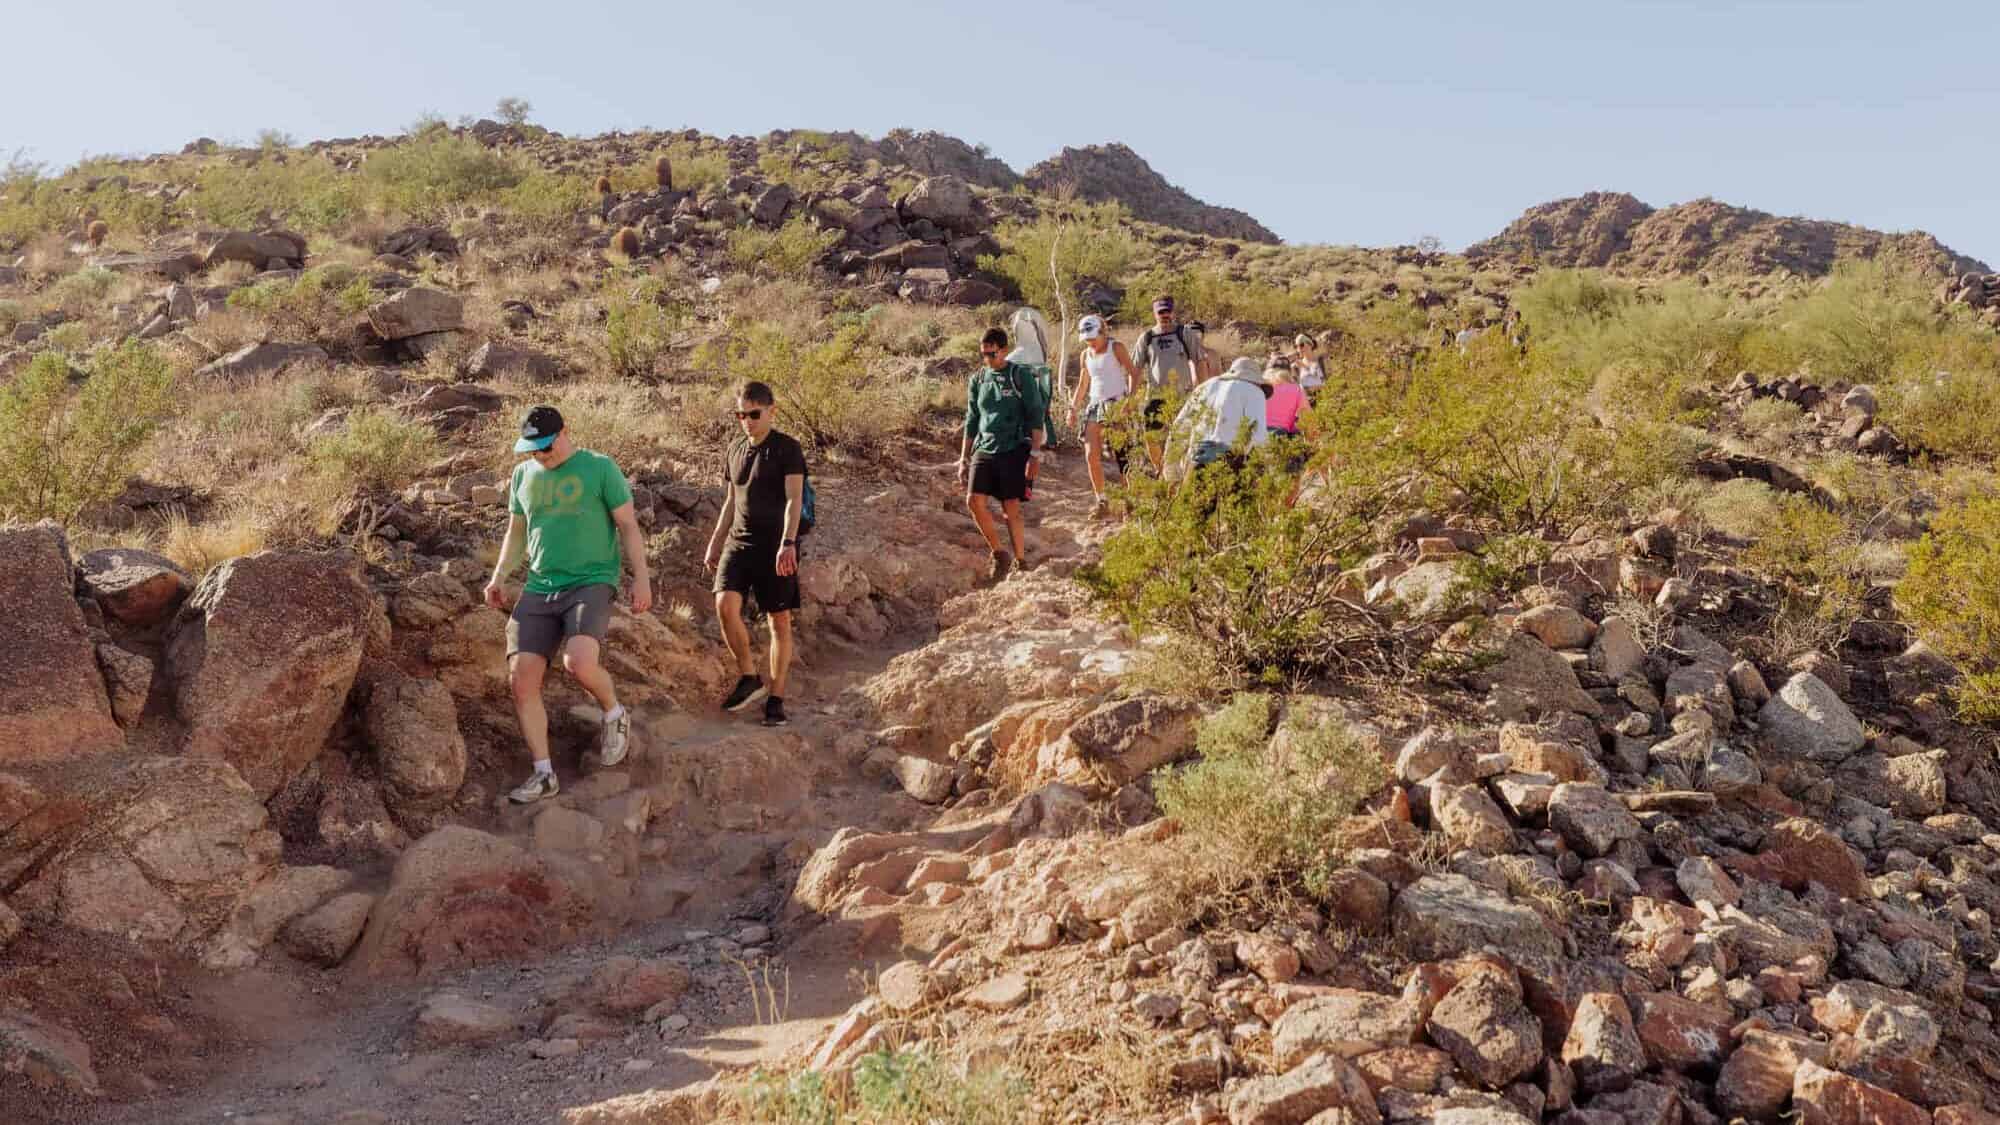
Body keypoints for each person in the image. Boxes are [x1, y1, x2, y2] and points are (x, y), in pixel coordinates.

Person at [486, 406, 652, 803]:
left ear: (565, 432)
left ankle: (614, 713)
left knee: (578, 662)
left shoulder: (599, 468)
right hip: (541, 585)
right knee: (521, 680)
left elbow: (628, 525)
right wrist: (499, 575)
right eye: (532, 449)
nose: (539, 455)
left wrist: (641, 579)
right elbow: (516, 532)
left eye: (545, 446)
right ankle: (544, 774)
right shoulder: (523, 476)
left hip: (591, 581)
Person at [703, 380, 807, 728]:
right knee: (724, 605)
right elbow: (732, 500)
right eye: (741, 415)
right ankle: (750, 677)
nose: (747, 421)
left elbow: (794, 499)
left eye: (754, 414)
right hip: (739, 542)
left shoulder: (787, 449)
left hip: (776, 546)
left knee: (778, 621)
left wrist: (788, 543)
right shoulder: (734, 449)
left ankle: (776, 697)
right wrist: (715, 542)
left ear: (771, 411)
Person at [958, 327, 1047, 582]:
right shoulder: (978, 379)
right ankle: (999, 554)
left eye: (992, 354)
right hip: (985, 447)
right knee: (974, 501)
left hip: (1013, 447)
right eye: (983, 355)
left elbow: (1035, 416)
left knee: (1011, 507)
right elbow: (972, 419)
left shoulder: (1020, 376)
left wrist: (1035, 454)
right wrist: (963, 458)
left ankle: (1021, 559)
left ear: (1004, 350)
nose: (987, 359)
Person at [1066, 314, 1140, 518]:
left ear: (1102, 331)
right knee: (1091, 456)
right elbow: (1083, 384)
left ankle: (1129, 502)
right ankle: (1102, 501)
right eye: (1087, 338)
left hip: (1117, 403)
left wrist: (1130, 401)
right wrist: (1072, 408)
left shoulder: (1116, 348)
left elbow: (1135, 373)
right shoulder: (1085, 355)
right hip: (1095, 405)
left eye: (1093, 337)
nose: (1090, 342)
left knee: (1123, 457)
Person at [1133, 296, 1211, 473]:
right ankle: (1161, 472)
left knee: (1181, 439)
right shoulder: (1146, 338)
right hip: (1155, 397)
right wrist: (1131, 397)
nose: (1165, 315)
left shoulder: (1184, 333)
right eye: (1161, 312)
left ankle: (1178, 475)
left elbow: (1199, 362)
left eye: (1167, 311)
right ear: (1154, 314)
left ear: (1173, 312)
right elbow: (1135, 369)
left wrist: (1203, 391)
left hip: (1181, 397)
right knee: (1152, 438)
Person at [1173, 356, 1270, 473]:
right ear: (1256, 380)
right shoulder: (1255, 392)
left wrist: (1172, 472)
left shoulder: (1204, 387)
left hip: (1195, 461)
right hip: (1230, 464)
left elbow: (1180, 427)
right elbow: (1258, 437)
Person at [1264, 356, 1306, 437]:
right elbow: (1307, 415)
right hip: (1281, 435)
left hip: (1259, 434)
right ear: (1289, 372)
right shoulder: (1296, 389)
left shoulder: (1261, 386)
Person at [1292, 334, 1326, 400]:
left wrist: (1305, 367)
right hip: (1308, 404)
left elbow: (1326, 383)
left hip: (1324, 401)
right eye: (1296, 346)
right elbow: (1297, 390)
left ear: (1310, 344)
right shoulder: (1296, 366)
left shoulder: (1321, 361)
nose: (1299, 349)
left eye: (1301, 345)